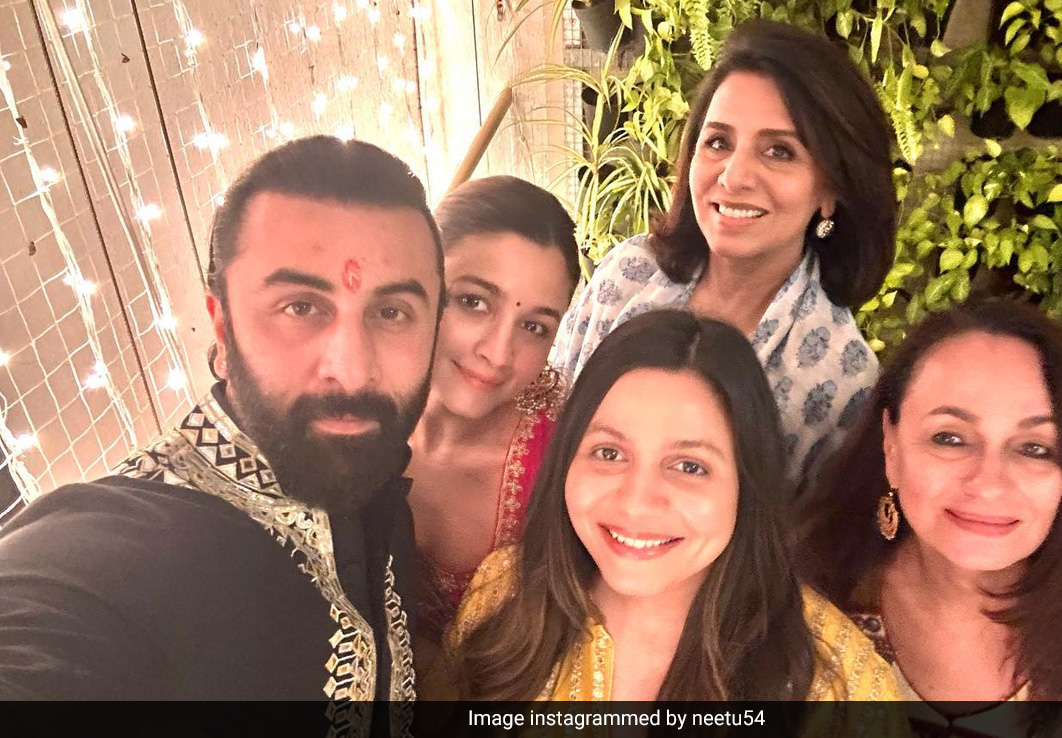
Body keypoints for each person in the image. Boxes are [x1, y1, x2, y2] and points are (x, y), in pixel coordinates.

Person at [0, 137, 442, 723]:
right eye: (300, 307)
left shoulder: (383, 490)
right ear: (223, 327)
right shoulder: (114, 552)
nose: (353, 370)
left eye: (392, 313)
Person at [446, 310, 901, 704]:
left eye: (689, 466)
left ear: (747, 486)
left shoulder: (841, 689)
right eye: (609, 453)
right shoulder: (504, 594)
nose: (636, 501)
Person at [794, 299, 1062, 710]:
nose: (988, 484)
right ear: (891, 446)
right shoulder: (806, 597)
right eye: (949, 438)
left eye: (1035, 448)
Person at [551, 19, 896, 485]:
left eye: (779, 151)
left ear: (831, 189)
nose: (733, 177)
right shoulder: (628, 276)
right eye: (718, 142)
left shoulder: (840, 384)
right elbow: (546, 432)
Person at [407, 176, 579, 639]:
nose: (498, 354)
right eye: (474, 302)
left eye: (534, 327)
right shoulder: (348, 416)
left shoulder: (564, 470)